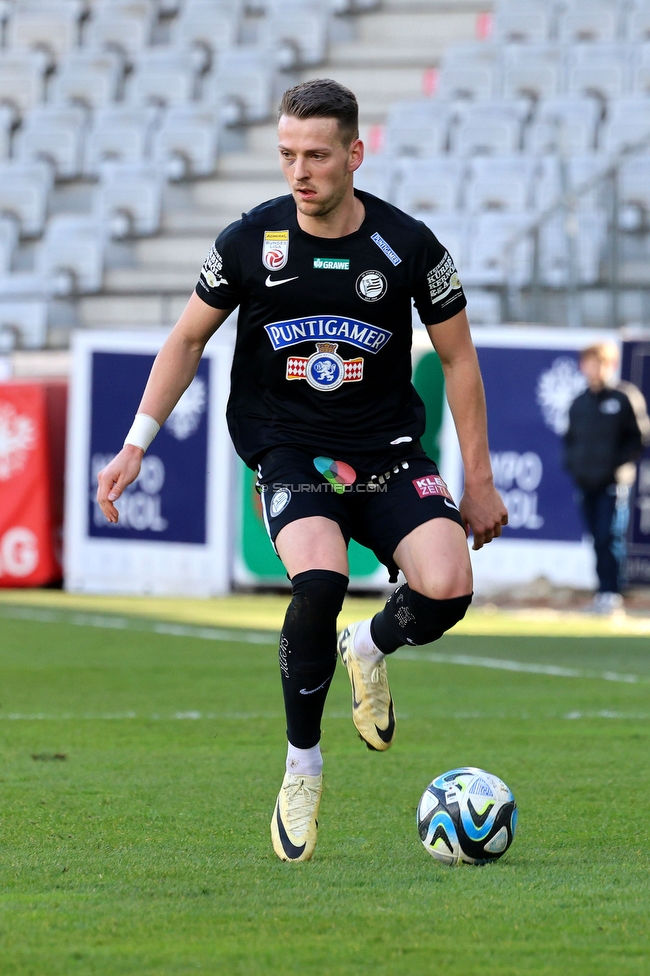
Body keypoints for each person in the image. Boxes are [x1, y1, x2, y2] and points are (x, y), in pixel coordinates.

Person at [97, 79, 507, 862]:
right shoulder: (250, 241)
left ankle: (371, 648)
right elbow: (186, 341)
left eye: (316, 155)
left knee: (449, 585)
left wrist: (478, 480)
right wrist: (136, 442)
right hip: (290, 448)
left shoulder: (409, 246)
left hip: (386, 452)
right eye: (286, 154)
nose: (299, 171)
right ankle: (302, 767)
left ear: (355, 153)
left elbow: (458, 360)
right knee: (317, 581)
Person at [564, 341, 649, 614]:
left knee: (609, 536)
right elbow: (570, 439)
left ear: (610, 365)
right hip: (585, 482)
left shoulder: (624, 397)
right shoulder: (579, 402)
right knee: (595, 537)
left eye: (599, 362)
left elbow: (639, 436)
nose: (594, 368)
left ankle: (611, 593)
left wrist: (616, 466)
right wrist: (575, 467)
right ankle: (602, 591)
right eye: (589, 362)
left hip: (612, 483)